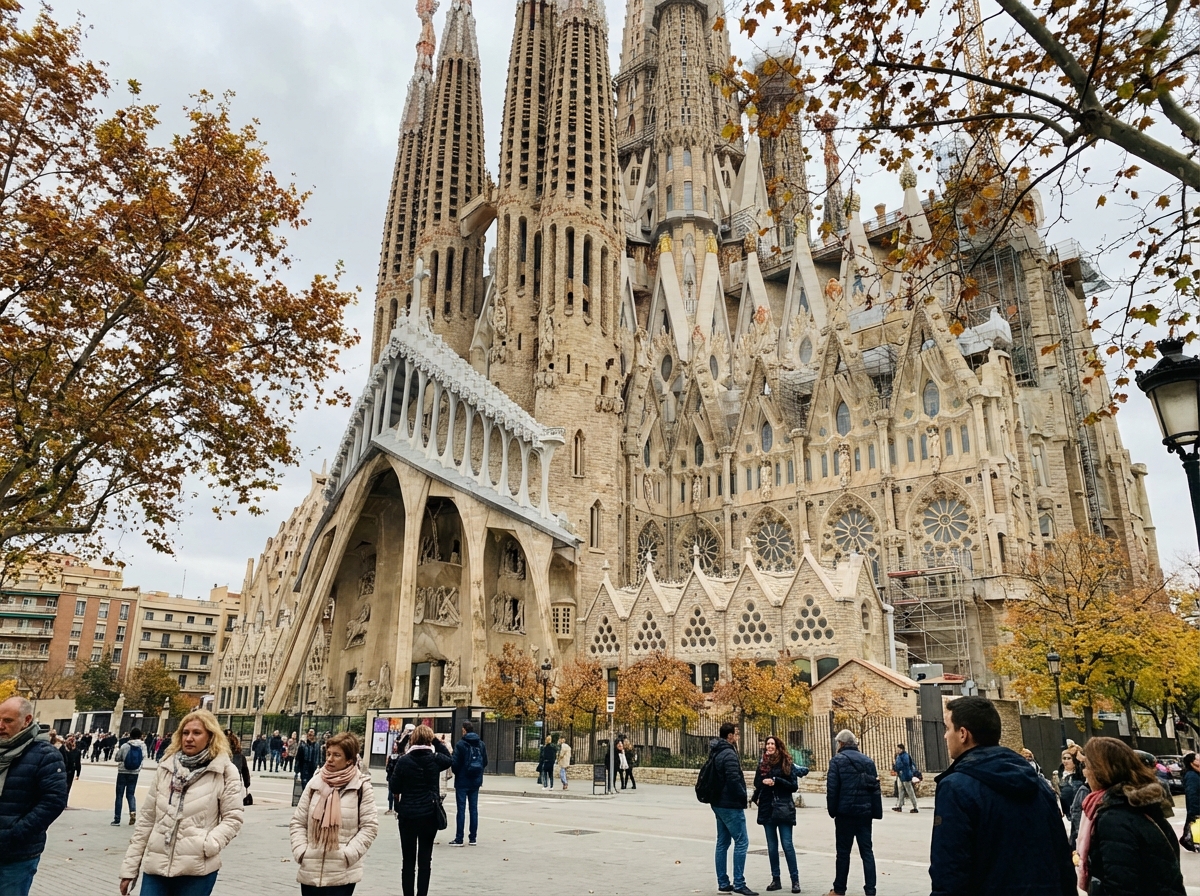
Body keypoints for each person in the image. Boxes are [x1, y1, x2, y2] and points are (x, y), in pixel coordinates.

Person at [930, 696, 1074, 896]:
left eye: (947, 728)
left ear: (963, 734)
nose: (945, 736)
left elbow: (950, 870)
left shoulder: (955, 787)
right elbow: (1063, 860)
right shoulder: (1038, 783)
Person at [119, 709, 245, 896]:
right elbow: (147, 820)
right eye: (185, 733)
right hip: (157, 866)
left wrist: (208, 844)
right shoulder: (166, 767)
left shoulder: (224, 771)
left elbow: (233, 818)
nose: (189, 738)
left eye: (197, 733)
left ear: (211, 737)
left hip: (196, 869)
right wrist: (130, 868)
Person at [1075, 736, 1185, 896]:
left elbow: (1121, 884)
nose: (1085, 772)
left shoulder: (1114, 817)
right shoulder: (1140, 803)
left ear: (1100, 771)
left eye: (1087, 766)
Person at [290, 731, 379, 896]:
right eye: (328, 754)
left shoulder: (360, 786)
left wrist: (348, 855)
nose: (330, 759)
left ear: (349, 759)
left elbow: (369, 827)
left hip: (342, 873)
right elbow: (298, 822)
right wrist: (301, 851)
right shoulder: (315, 782)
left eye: (337, 755)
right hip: (311, 869)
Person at [0, 696, 67, 896]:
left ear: (27, 720)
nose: (0, 726)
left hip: (16, 856)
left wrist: (14, 834)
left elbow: (53, 802)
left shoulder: (46, 755)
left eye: (8, 721)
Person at [389, 725, 452, 896]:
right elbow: (449, 759)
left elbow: (394, 786)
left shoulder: (403, 761)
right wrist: (437, 741)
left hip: (408, 815)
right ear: (429, 740)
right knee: (425, 860)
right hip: (429, 814)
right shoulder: (435, 759)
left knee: (408, 861)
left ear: (413, 740)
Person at [825, 729, 881, 896]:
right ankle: (870, 890)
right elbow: (875, 789)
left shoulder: (837, 761)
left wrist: (833, 811)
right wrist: (875, 811)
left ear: (841, 743)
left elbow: (832, 789)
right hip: (864, 814)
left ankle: (839, 889)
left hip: (845, 814)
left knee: (843, 853)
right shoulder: (868, 761)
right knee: (867, 852)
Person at [707, 721, 756, 896]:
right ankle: (739, 883)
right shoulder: (728, 753)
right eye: (736, 734)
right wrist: (743, 796)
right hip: (730, 804)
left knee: (722, 842)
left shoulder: (716, 751)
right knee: (742, 841)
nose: (737, 737)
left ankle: (723, 882)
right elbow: (733, 779)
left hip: (718, 802)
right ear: (729, 736)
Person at [752, 735, 800, 894]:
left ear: (778, 746)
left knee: (787, 845)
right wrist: (761, 784)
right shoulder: (762, 763)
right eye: (768, 744)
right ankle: (776, 879)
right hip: (767, 808)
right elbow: (756, 783)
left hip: (783, 807)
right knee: (772, 847)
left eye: (772, 744)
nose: (770, 746)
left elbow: (793, 786)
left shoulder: (786, 762)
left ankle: (795, 880)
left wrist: (776, 781)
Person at [449, 720, 487, 846]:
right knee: (473, 809)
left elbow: (455, 763)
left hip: (462, 781)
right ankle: (473, 838)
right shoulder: (481, 744)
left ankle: (459, 838)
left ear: (464, 730)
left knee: (461, 809)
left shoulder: (460, 744)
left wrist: (458, 773)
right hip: (475, 781)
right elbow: (485, 761)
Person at [112, 726, 147, 826]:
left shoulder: (125, 745)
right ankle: (132, 811)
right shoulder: (143, 746)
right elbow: (144, 757)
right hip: (135, 772)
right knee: (130, 794)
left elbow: (117, 758)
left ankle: (117, 819)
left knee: (119, 795)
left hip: (123, 771)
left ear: (130, 735)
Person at [1058, 748, 1087, 817]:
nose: (1065, 761)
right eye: (1064, 758)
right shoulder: (1058, 775)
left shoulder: (1080, 777)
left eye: (1068, 758)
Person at [1180, 751, 1200, 852]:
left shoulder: (1196, 773)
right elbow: (1192, 794)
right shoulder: (1192, 776)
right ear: (1192, 762)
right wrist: (1194, 811)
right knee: (1192, 825)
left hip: (1196, 808)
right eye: (1198, 759)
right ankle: (1187, 841)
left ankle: (1188, 840)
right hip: (1196, 808)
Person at [891, 743, 918, 813]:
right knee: (900, 790)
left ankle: (915, 807)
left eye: (898, 749)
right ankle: (899, 806)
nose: (897, 750)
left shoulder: (905, 756)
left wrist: (898, 768)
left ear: (901, 749)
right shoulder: (899, 756)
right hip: (900, 775)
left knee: (910, 791)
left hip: (905, 775)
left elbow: (905, 765)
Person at [228, 732, 251, 804]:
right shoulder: (241, 757)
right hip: (236, 784)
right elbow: (245, 772)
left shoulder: (219, 756)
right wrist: (247, 784)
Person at [59, 734, 82, 803]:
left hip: (66, 770)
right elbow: (78, 763)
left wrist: (78, 773)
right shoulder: (63, 749)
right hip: (68, 770)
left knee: (64, 786)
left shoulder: (63, 749)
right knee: (66, 787)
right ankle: (64, 801)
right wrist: (78, 774)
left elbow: (78, 763)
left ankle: (63, 801)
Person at [385, 740, 402, 815]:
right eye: (394, 746)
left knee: (395, 793)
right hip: (391, 777)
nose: (394, 747)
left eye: (396, 746)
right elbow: (387, 768)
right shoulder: (390, 757)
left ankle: (396, 808)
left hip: (396, 777)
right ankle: (390, 808)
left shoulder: (400, 757)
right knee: (390, 793)